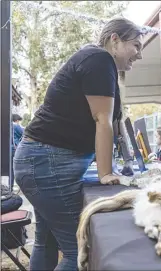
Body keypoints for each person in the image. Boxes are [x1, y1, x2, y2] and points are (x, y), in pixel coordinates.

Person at [13, 18, 143, 270]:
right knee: (80, 251)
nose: (138, 54)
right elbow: (102, 119)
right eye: (136, 45)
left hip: (38, 160)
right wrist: (105, 173)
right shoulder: (99, 60)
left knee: (47, 242)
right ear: (114, 40)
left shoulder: (95, 61)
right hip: (48, 163)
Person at [10, 114, 24, 190]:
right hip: (14, 149)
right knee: (14, 169)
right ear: (17, 120)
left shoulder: (9, 125)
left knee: (9, 169)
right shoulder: (16, 126)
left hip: (8, 149)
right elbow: (24, 135)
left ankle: (10, 187)